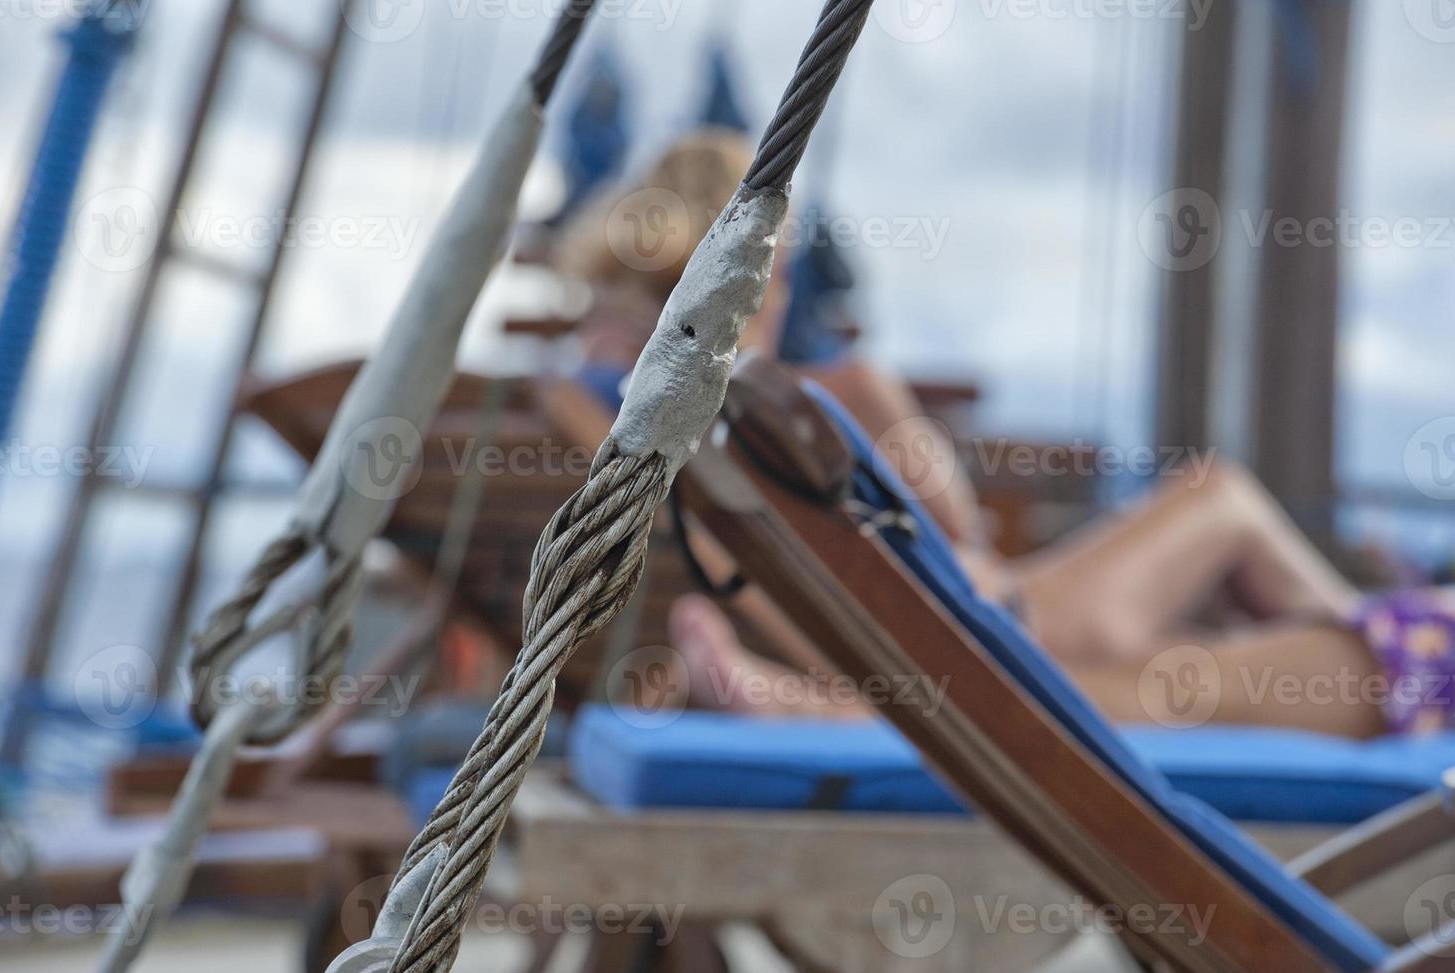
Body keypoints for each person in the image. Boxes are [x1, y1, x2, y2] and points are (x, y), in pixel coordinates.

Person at [556, 130, 1455, 740]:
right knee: (1217, 497)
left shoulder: (651, 422)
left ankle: (1361, 621)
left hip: (985, 635)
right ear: (767, 273)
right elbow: (963, 533)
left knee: (1226, 596)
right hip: (1009, 622)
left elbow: (750, 574)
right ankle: (1367, 619)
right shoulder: (827, 393)